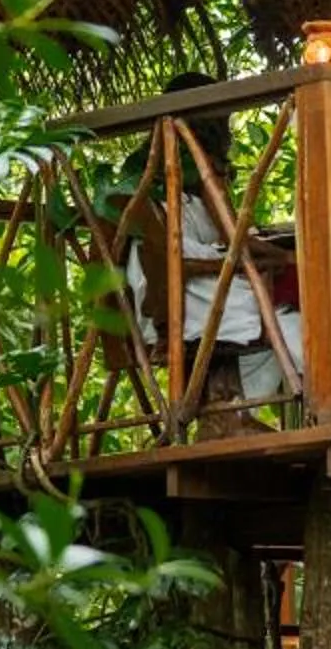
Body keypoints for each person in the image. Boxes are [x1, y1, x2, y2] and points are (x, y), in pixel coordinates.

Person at [121, 73, 304, 409]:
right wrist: (279, 257)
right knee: (295, 311)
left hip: (169, 298)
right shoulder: (197, 171)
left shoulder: (150, 177)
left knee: (285, 315)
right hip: (186, 299)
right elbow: (227, 237)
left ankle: (231, 414)